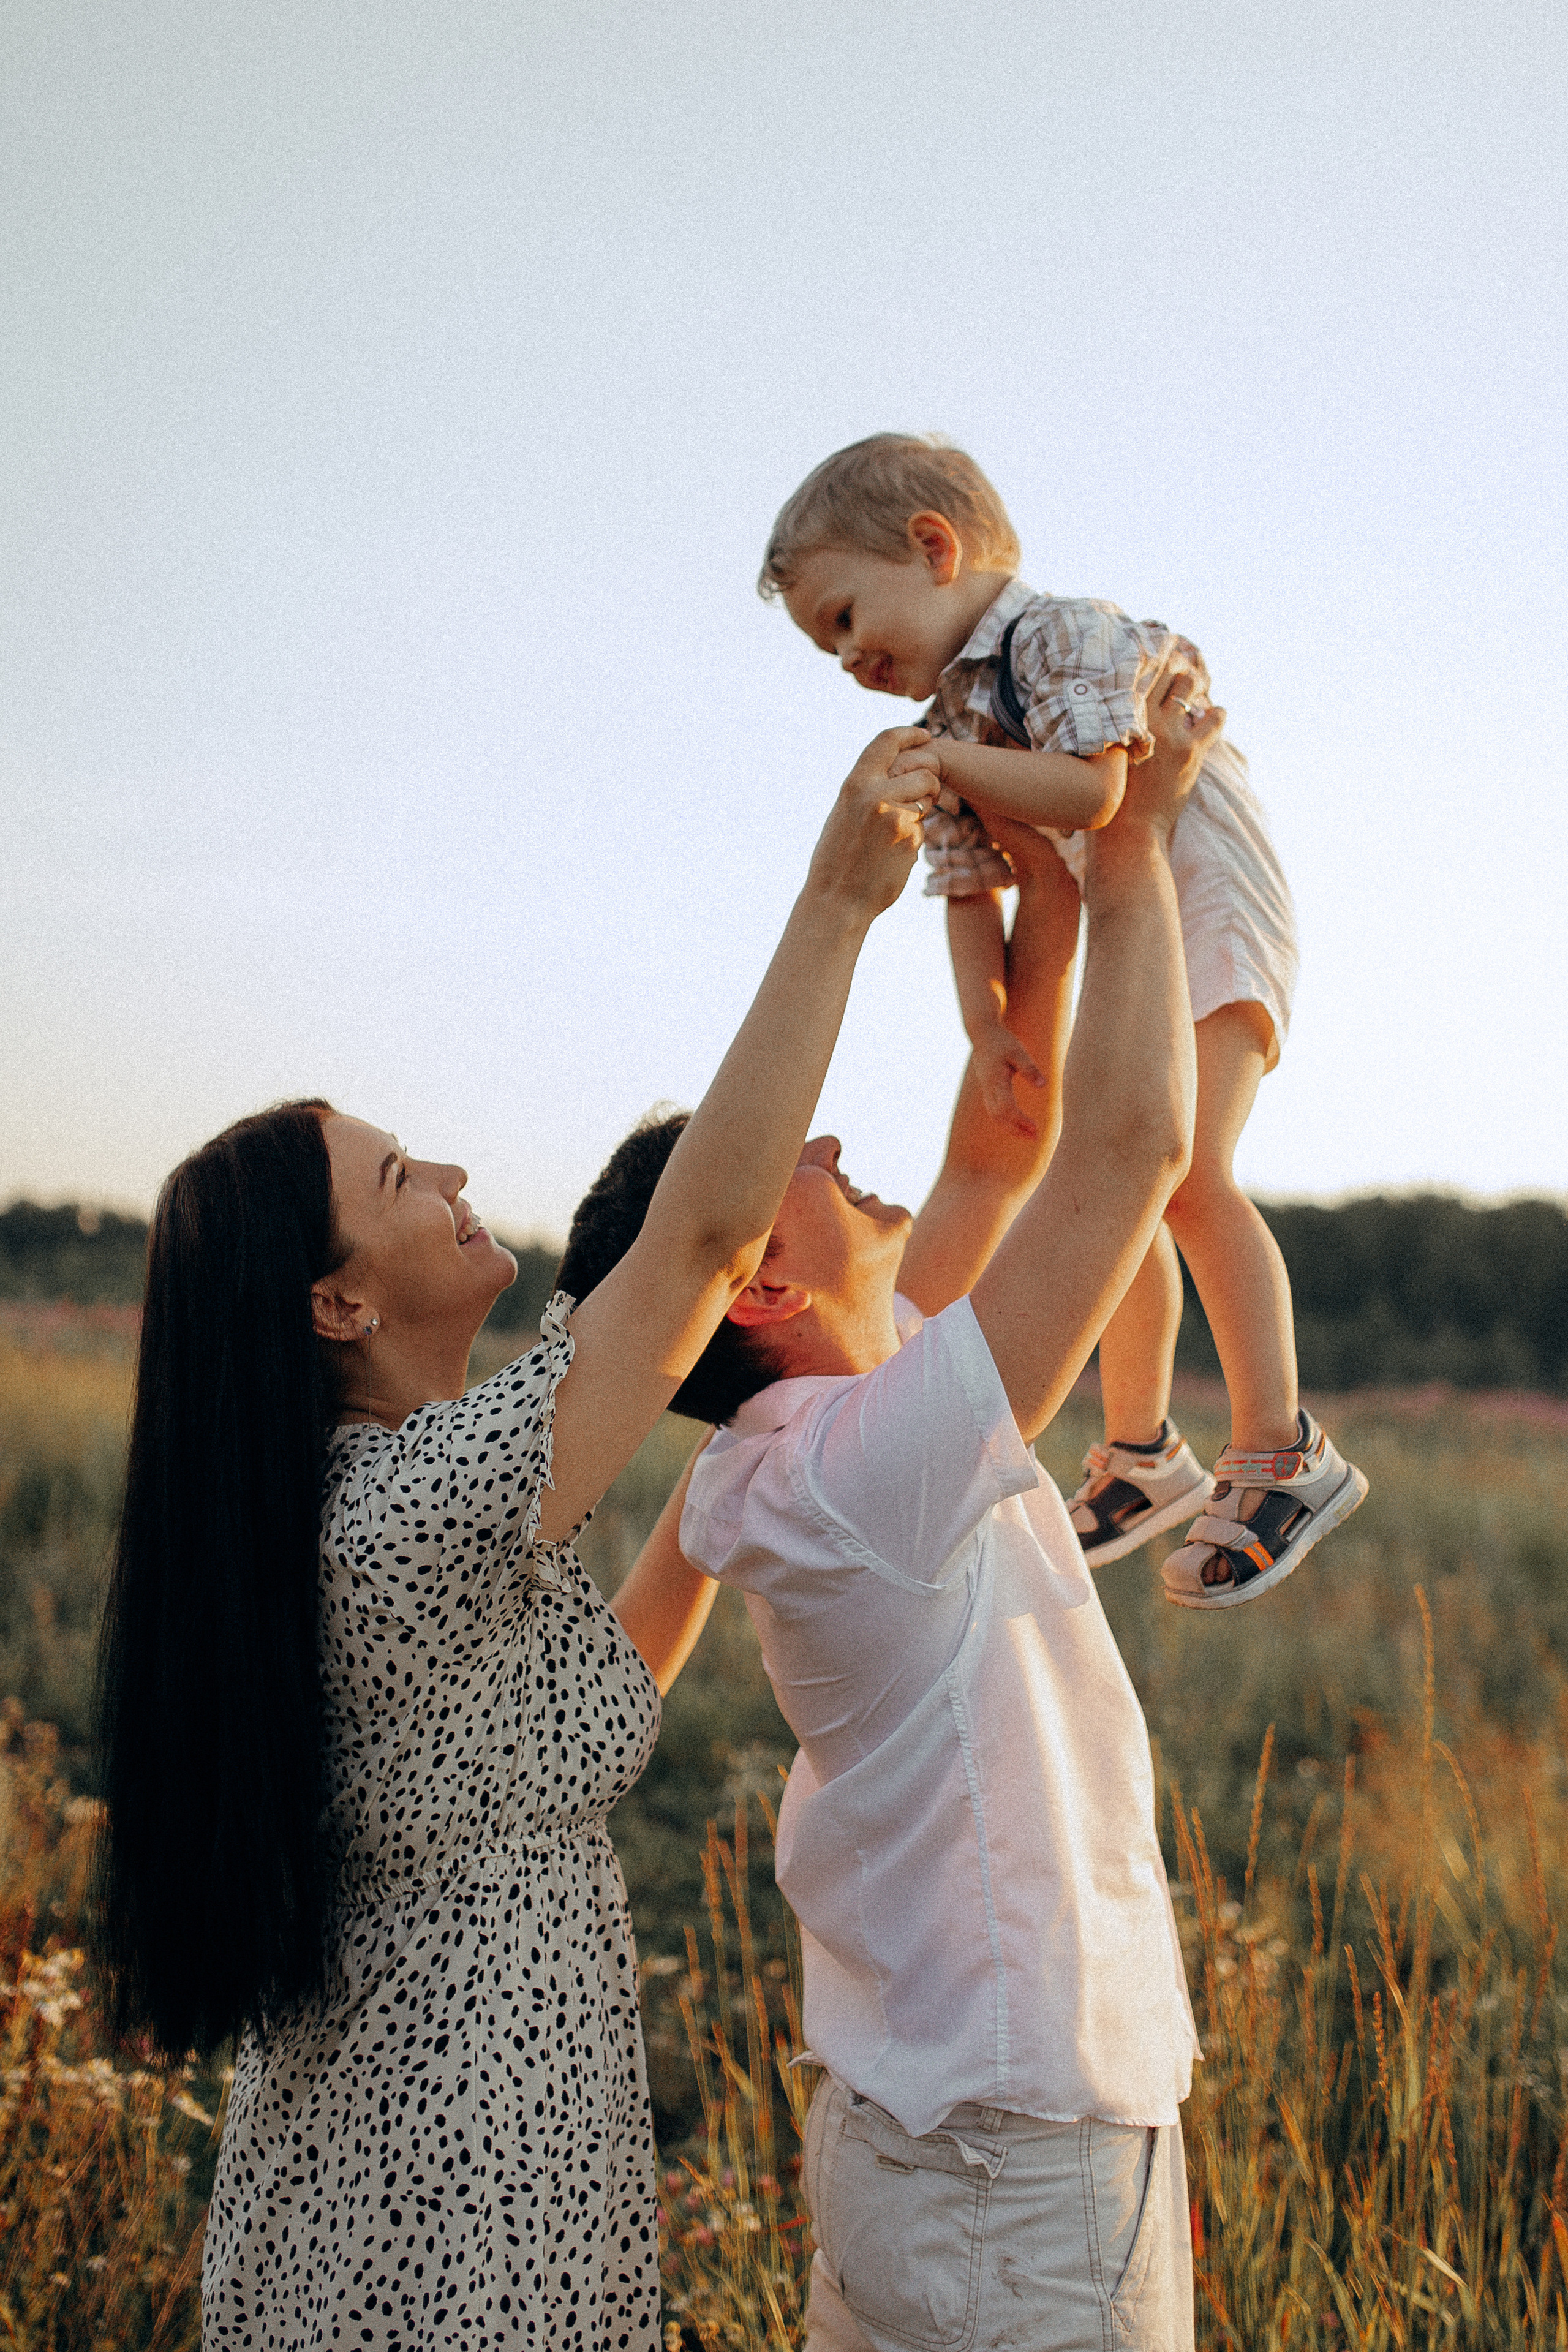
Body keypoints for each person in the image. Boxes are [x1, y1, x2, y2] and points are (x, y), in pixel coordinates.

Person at [92, 728, 937, 2352]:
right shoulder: (406, 1511)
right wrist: (837, 902)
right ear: (338, 1302)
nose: (456, 1171)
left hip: (475, 2156)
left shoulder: (414, 1493)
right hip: (446, 2196)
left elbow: (604, 1643)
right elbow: (695, 1241)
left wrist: (768, 1425)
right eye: (400, 1176)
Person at [556, 680, 1209, 2351]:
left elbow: (1013, 1124)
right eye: (781, 1146)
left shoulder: (815, 1435)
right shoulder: (859, 1472)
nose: (831, 1129)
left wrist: (989, 898)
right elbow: (1125, 1150)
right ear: (757, 1276)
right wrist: (1132, 859)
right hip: (1013, 2164)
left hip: (952, 2136)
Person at [759, 431, 1366, 1607]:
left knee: (1188, 1176)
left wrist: (948, 759)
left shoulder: (1060, 636)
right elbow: (971, 890)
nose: (844, 660)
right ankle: (1144, 1450)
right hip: (1136, 934)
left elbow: (1098, 793)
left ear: (934, 549)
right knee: (1107, 1181)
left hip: (1212, 909)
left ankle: (1286, 1449)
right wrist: (990, 1027)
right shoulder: (957, 719)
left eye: (844, 619)